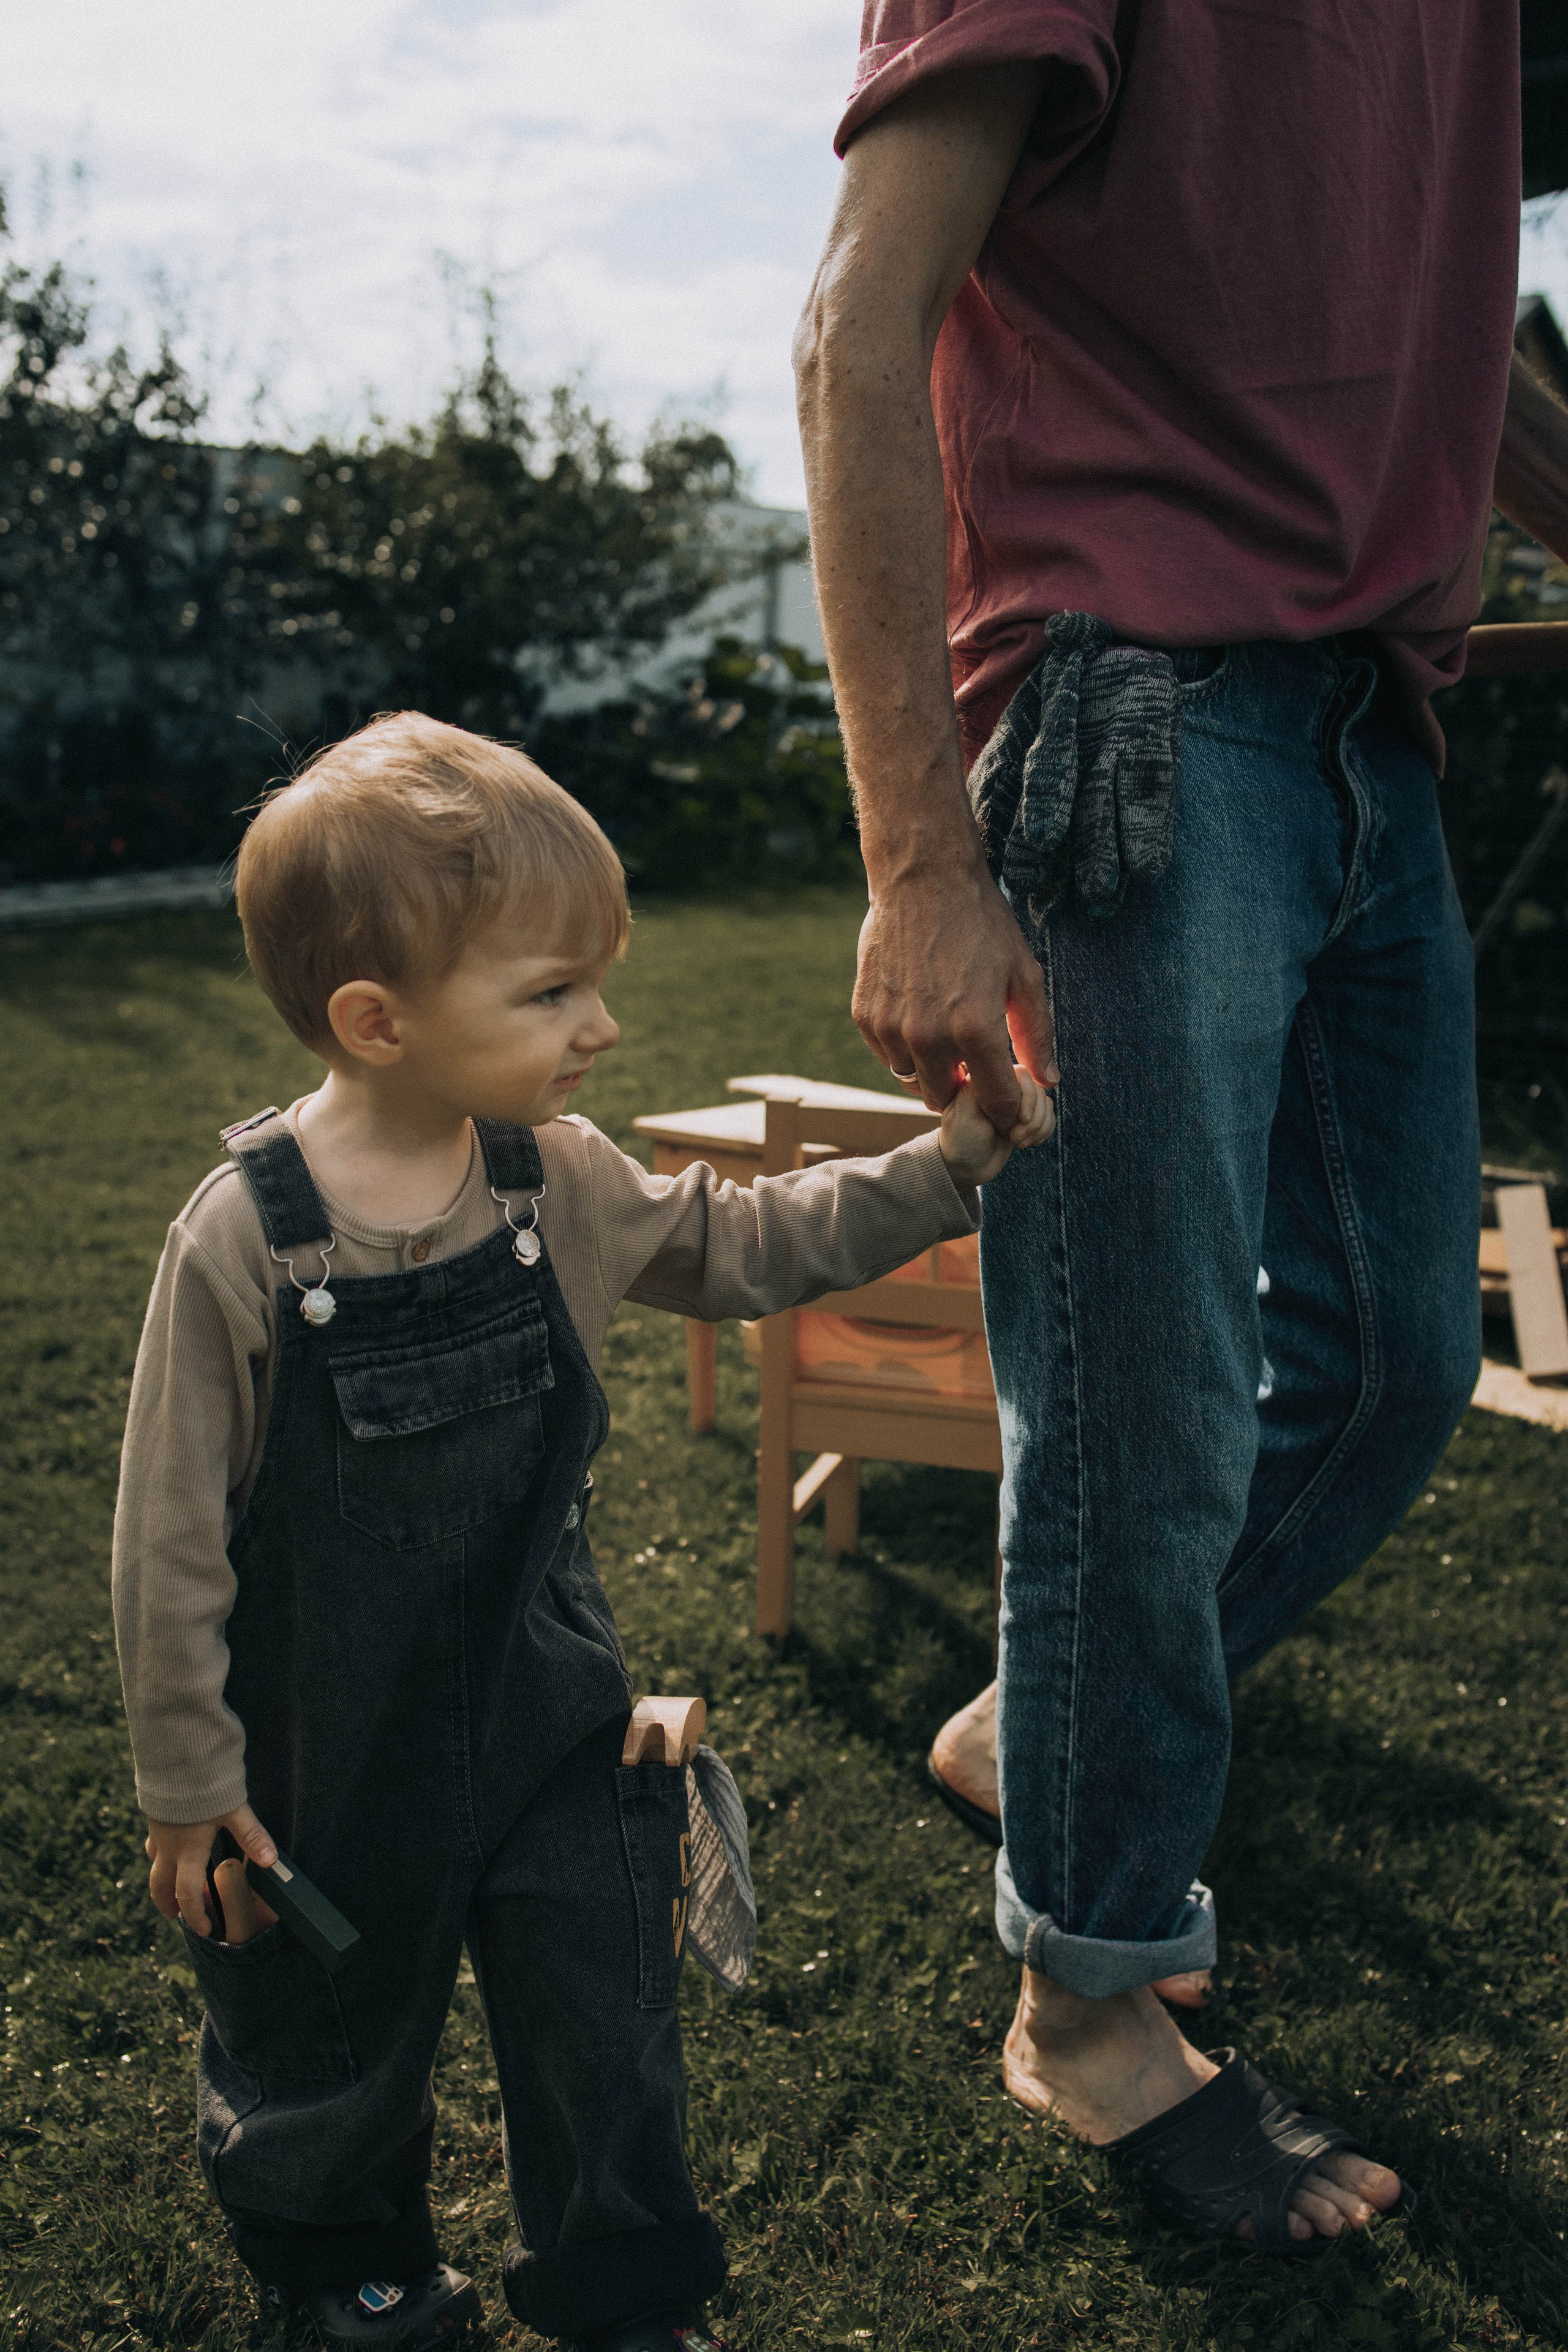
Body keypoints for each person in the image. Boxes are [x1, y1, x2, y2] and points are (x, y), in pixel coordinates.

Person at [794, 0, 1566, 2254]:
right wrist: (923, 858)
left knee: (1398, 1360)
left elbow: (1456, 361)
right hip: (1126, 707)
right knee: (1133, 1417)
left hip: (1374, 735)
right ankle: (1091, 2001)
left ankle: (1039, 1731)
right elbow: (861, 319)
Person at [111, 712, 1051, 2352]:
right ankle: (355, 2284)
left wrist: (947, 1167)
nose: (603, 1026)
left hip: (554, 1716)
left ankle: (623, 2291)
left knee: (602, 2025)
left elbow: (748, 1245)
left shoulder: (557, 1177)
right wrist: (193, 1783)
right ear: (376, 1019)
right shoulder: (247, 1246)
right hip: (327, 1759)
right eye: (551, 993)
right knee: (331, 2038)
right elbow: (169, 1544)